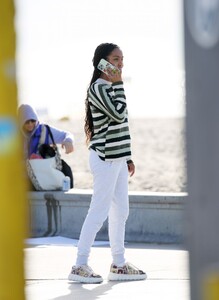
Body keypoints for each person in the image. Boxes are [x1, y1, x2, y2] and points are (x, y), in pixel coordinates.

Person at [68, 43, 146, 283]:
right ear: (102, 62)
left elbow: (120, 127)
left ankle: (119, 264)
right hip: (105, 159)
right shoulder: (99, 88)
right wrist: (119, 82)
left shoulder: (109, 87)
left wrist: (128, 156)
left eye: (122, 59)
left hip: (118, 158)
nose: (120, 64)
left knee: (121, 211)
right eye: (115, 59)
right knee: (99, 211)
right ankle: (79, 265)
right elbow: (118, 114)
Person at [17, 104, 74, 188]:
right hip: (24, 176)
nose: (30, 124)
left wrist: (68, 141)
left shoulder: (44, 130)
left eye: (32, 121)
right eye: (26, 122)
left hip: (44, 174)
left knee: (66, 169)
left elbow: (66, 134)